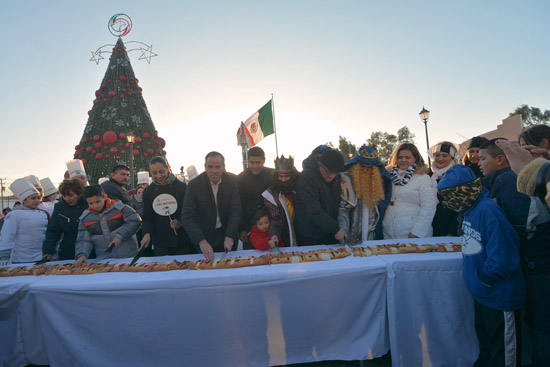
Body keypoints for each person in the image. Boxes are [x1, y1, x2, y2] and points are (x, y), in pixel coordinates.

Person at [437, 164, 525, 367]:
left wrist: (485, 280)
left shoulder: (489, 211)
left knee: (504, 354)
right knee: (487, 348)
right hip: (484, 296)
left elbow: (504, 257)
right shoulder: (470, 209)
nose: (447, 201)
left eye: (450, 195)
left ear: (463, 192)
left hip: (500, 296)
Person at [181, 151, 241, 260]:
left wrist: (230, 235)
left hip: (227, 236)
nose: (214, 171)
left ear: (223, 167)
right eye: (210, 167)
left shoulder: (231, 182)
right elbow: (187, 216)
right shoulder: (194, 185)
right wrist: (200, 240)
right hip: (204, 238)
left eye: (217, 167)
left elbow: (235, 210)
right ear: (205, 167)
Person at [74, 185, 140, 267]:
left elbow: (135, 221)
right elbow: (84, 240)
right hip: (105, 260)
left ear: (105, 197)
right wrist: (82, 254)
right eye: (91, 203)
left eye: (98, 201)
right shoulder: (86, 218)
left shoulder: (120, 208)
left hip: (128, 256)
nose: (95, 206)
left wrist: (120, 235)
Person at [140, 156, 194, 256]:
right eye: (154, 173)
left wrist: (180, 222)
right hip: (161, 242)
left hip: (182, 240)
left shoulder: (181, 187)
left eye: (162, 172)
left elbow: (189, 211)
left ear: (168, 169)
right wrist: (146, 234)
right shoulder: (148, 191)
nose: (159, 176)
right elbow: (148, 216)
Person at [382, 143, 437, 239]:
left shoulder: (423, 178)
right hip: (389, 229)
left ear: (415, 158)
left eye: (407, 157)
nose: (403, 160)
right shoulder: (389, 176)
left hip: (412, 231)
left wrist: (417, 232)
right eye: (400, 157)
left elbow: (429, 206)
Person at [295, 148, 347, 246]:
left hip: (328, 233)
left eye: (335, 173)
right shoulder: (307, 177)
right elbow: (313, 210)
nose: (331, 176)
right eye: (328, 171)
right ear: (319, 166)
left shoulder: (336, 178)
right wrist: (335, 229)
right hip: (310, 235)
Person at [339, 145, 392, 242]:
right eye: (362, 167)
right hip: (353, 224)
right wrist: (344, 231)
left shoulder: (378, 180)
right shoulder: (346, 179)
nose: (365, 170)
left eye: (369, 168)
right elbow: (343, 210)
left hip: (371, 225)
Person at [0, 178, 49, 264]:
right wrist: (4, 256)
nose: (37, 200)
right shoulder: (14, 214)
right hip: (21, 258)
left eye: (38, 197)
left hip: (41, 257)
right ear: (24, 200)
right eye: (33, 198)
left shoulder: (44, 213)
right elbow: (7, 236)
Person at [42, 179, 88, 261]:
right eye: (64, 195)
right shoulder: (59, 207)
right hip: (67, 248)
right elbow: (53, 230)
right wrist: (48, 250)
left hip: (87, 248)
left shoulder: (88, 205)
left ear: (80, 194)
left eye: (70, 195)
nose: (67, 199)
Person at [237, 147, 274, 248]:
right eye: (252, 163)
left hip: (270, 226)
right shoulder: (240, 179)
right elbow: (238, 206)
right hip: (250, 228)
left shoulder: (272, 175)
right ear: (247, 161)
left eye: (258, 162)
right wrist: (242, 229)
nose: (255, 166)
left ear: (264, 161)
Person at [262, 155, 299, 247]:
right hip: (284, 236)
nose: (283, 180)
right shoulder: (270, 194)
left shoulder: (300, 188)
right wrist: (274, 235)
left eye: (286, 176)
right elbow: (275, 219)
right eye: (280, 176)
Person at [429, 141, 461, 236]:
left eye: (444, 155)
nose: (440, 159)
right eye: (437, 155)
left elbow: (458, 207)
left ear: (452, 158)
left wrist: (452, 230)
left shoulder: (457, 175)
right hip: (430, 224)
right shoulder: (429, 175)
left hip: (448, 227)